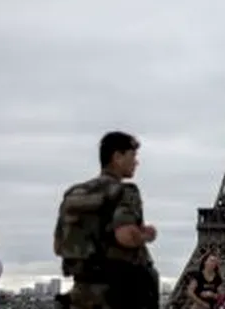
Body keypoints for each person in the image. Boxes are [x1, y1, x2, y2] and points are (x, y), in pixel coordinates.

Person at [56, 131, 160, 309]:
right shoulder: (124, 192)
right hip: (119, 293)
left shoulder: (74, 193)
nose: (136, 162)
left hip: (81, 291)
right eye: (132, 155)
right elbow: (126, 236)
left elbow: (59, 244)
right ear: (117, 157)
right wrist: (146, 234)